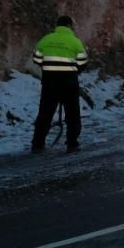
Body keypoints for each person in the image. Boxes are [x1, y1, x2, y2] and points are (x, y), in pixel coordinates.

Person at [31, 15, 88, 153]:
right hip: (69, 83)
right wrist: (74, 71)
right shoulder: (75, 42)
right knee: (72, 114)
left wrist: (49, 67)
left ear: (57, 26)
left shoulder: (46, 39)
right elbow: (82, 62)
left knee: (45, 113)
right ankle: (72, 143)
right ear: (69, 26)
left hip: (49, 83)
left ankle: (37, 144)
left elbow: (37, 58)